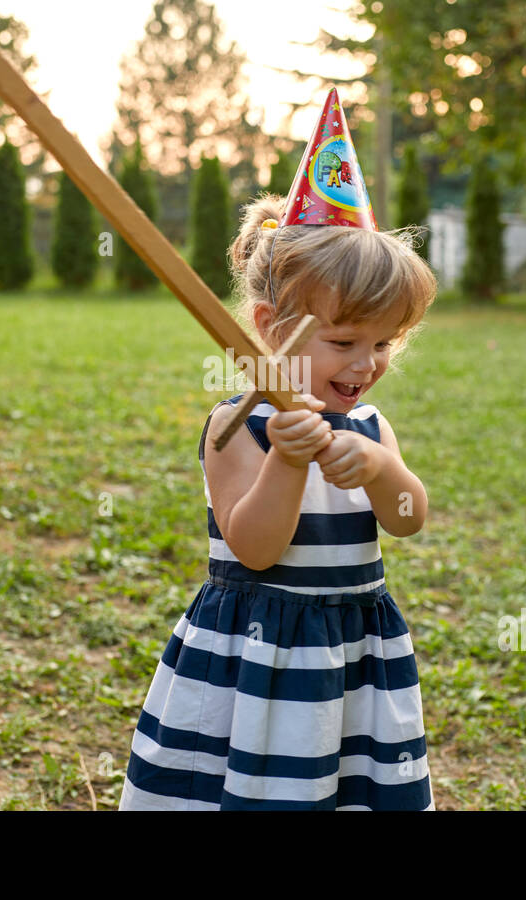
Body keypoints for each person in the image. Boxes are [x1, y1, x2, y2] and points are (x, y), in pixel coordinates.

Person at [118, 87, 439, 810]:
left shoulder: (370, 426)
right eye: (344, 341)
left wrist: (385, 468)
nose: (367, 363)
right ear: (269, 324)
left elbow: (410, 517)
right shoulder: (239, 428)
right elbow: (256, 549)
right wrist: (290, 461)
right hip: (259, 655)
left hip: (352, 654)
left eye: (384, 342)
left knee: (341, 785)